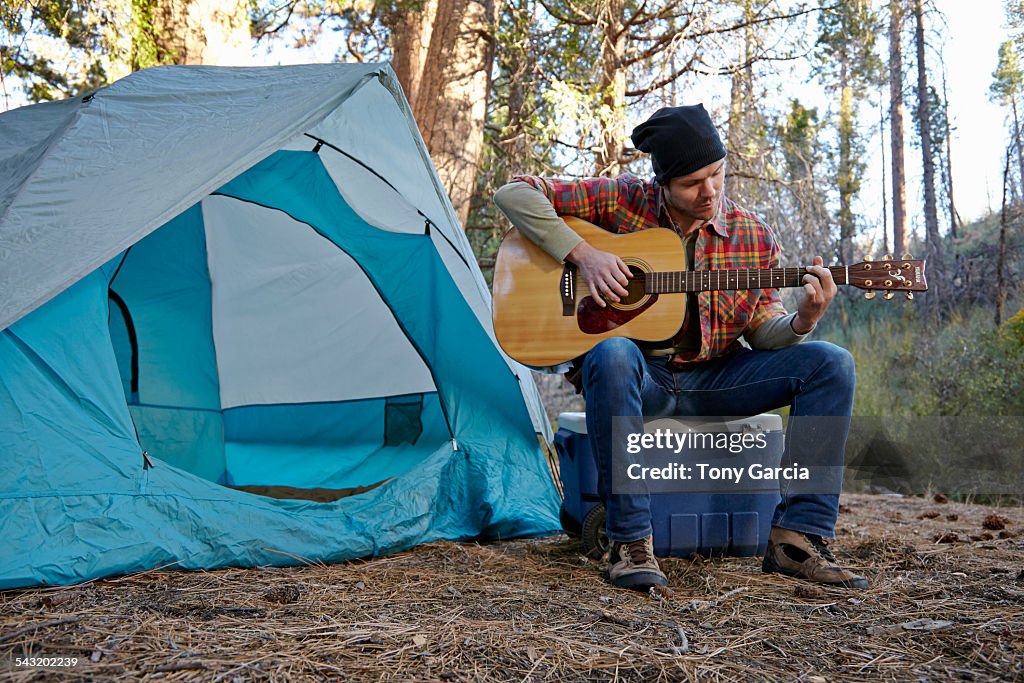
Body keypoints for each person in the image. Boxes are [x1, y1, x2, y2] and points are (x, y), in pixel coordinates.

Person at [493, 104, 867, 592]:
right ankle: (629, 541)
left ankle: (798, 538)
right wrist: (583, 255)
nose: (709, 191)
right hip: (640, 377)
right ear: (663, 183)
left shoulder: (752, 235)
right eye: (692, 182)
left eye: (716, 174)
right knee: (611, 352)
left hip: (717, 378)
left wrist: (803, 319)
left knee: (831, 363)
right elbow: (513, 193)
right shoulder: (623, 201)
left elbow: (761, 329)